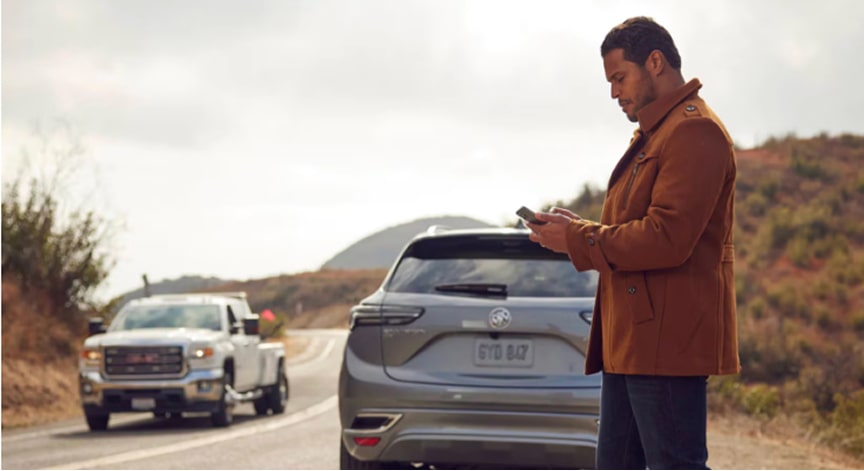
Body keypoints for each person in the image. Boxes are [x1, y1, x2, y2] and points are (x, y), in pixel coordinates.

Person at [526, 16, 740, 470]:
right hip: (632, 342)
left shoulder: (694, 131)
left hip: (667, 346)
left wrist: (578, 238)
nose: (613, 92)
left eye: (619, 77)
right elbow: (634, 226)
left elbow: (667, 239)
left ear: (656, 62)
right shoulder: (659, 133)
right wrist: (577, 228)